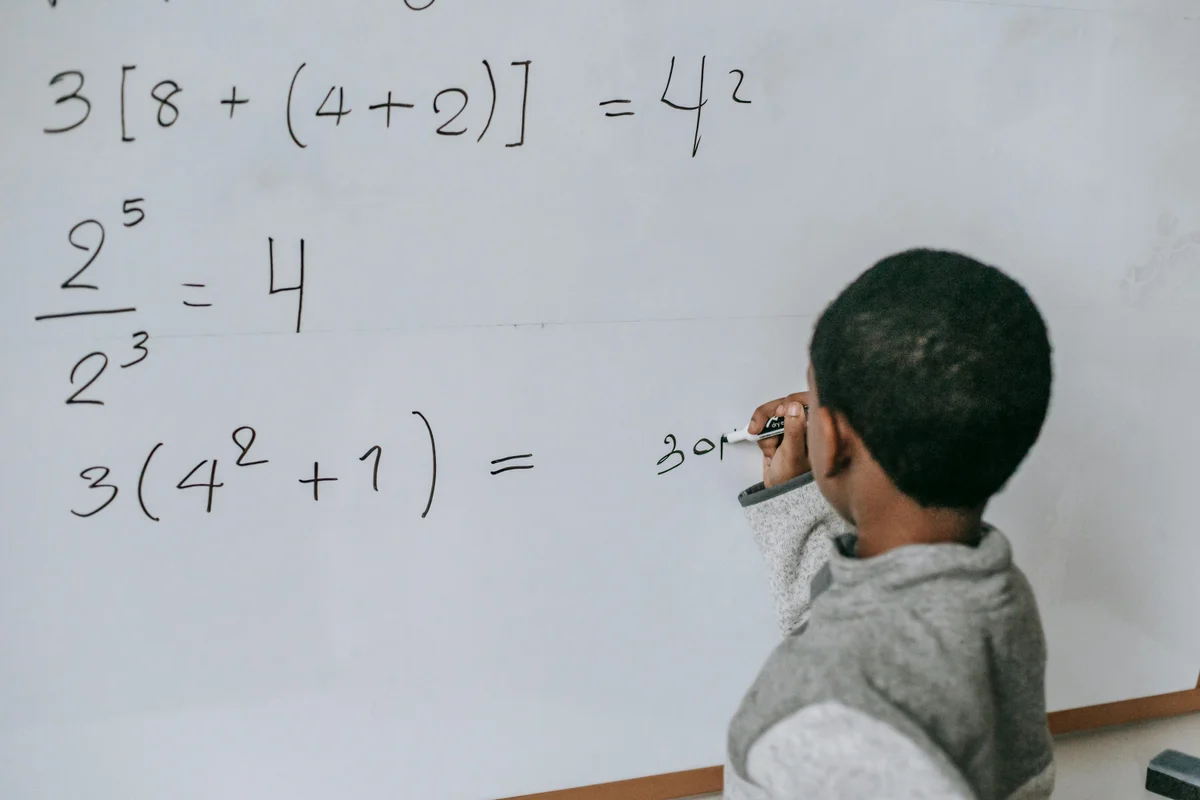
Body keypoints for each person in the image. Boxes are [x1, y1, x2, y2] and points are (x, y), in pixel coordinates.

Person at [724, 249, 1055, 800]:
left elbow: (853, 661)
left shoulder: (823, 722)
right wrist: (802, 491)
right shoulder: (994, 595)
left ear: (830, 441)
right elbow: (862, 619)